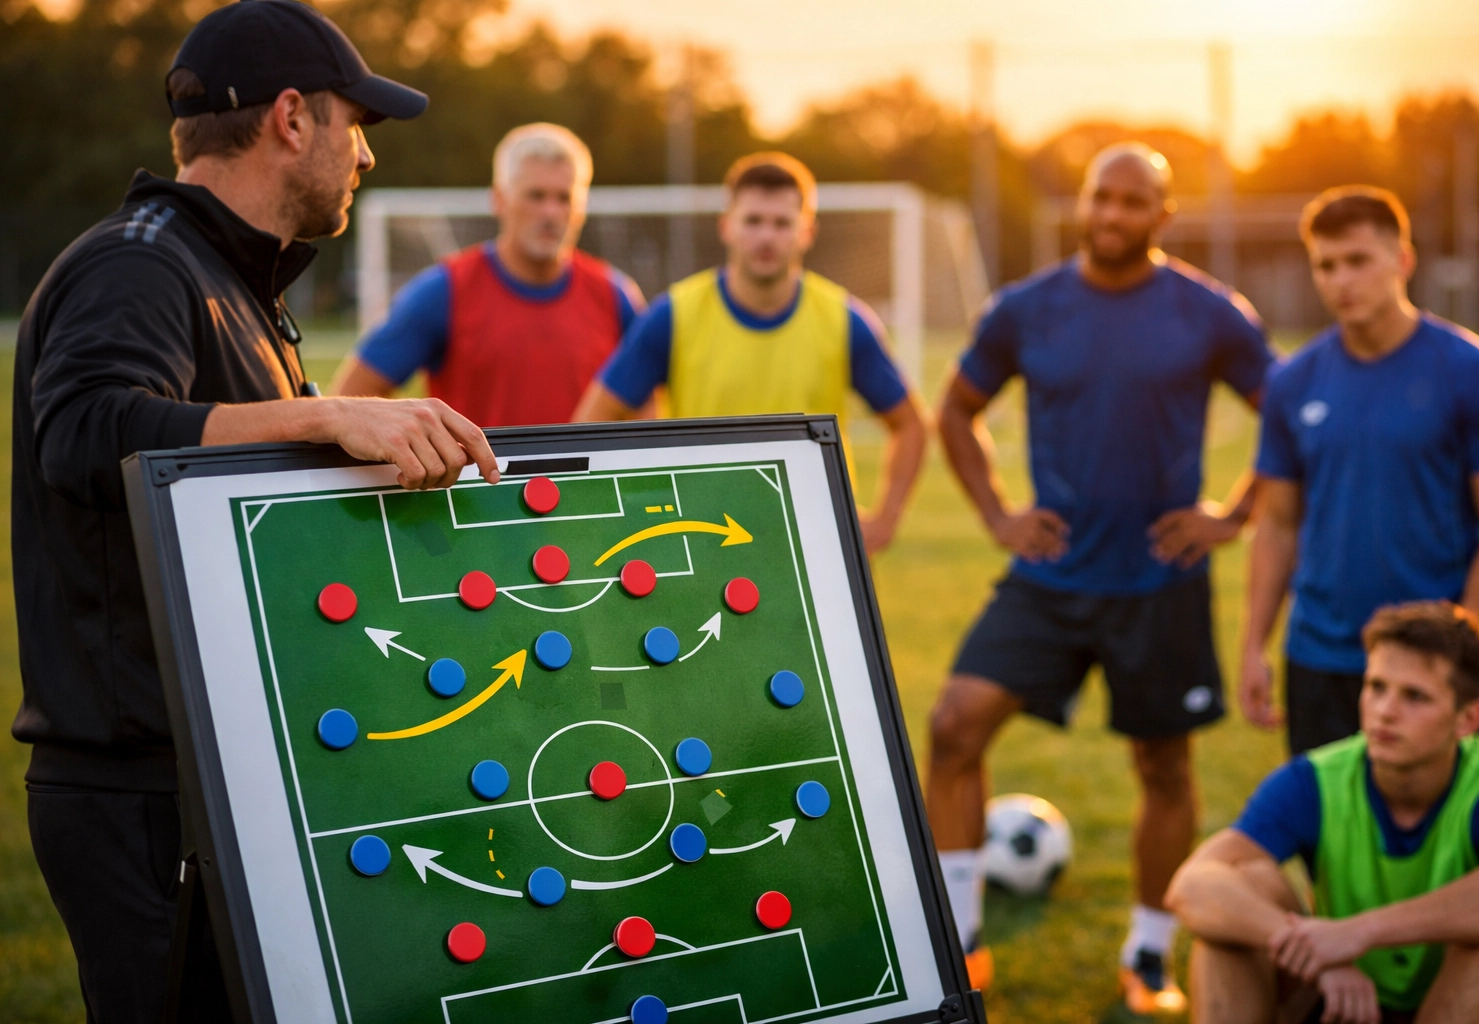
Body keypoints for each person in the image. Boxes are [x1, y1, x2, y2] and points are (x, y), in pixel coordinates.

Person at [10, 3, 501, 1019]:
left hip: (216, 771)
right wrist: (327, 415)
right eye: (355, 124)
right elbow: (88, 428)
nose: (365, 154)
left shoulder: (230, 278)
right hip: (141, 789)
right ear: (291, 117)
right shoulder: (139, 261)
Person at [925, 142, 1275, 1009]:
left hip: (1159, 580)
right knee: (954, 725)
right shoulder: (1026, 309)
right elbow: (957, 411)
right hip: (1051, 575)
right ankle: (958, 940)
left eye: (1132, 201)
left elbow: (1288, 417)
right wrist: (998, 513)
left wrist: (1232, 515)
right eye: (1100, 197)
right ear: (1082, 203)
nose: (1112, 214)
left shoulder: (1210, 314)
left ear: (1162, 215)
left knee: (1164, 767)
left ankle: (1148, 955)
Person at [1242, 186, 1479, 758]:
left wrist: (1460, 646)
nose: (1341, 281)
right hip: (1323, 659)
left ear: (1402, 260)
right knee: (1332, 820)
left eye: (1358, 261)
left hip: (1440, 664)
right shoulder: (1293, 382)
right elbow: (1276, 524)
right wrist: (1254, 644)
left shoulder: (1473, 372)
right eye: (1325, 265)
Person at [1168, 601, 1479, 1024]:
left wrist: (1358, 933)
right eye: (1376, 687)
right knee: (1242, 889)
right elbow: (1192, 884)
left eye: (1414, 696)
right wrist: (1311, 948)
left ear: (1468, 718)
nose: (1385, 711)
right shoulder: (1315, 779)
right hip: (1339, 997)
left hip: (1461, 996)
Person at [571, 152, 926, 555]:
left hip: (817, 546)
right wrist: (639, 506)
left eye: (782, 223)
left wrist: (886, 518)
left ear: (807, 232)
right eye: (753, 221)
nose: (766, 237)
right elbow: (593, 418)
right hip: (704, 545)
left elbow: (910, 424)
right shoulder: (675, 315)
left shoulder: (844, 320)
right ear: (726, 226)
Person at [332, 123, 646, 425]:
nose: (551, 212)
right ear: (499, 200)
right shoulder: (445, 291)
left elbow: (646, 416)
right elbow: (352, 399)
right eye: (536, 196)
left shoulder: (615, 295)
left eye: (564, 198)